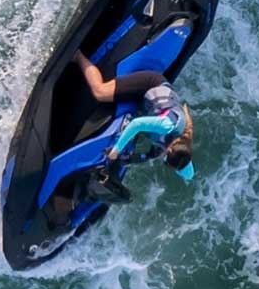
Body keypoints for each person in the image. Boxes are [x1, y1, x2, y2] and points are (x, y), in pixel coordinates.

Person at [75, 53, 197, 194]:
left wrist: (132, 158)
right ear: (169, 149)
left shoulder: (181, 153)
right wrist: (116, 151)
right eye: (166, 157)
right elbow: (137, 124)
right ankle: (77, 55)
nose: (163, 157)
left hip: (147, 105)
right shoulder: (167, 125)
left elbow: (189, 173)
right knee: (100, 92)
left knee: (128, 145)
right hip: (150, 84)